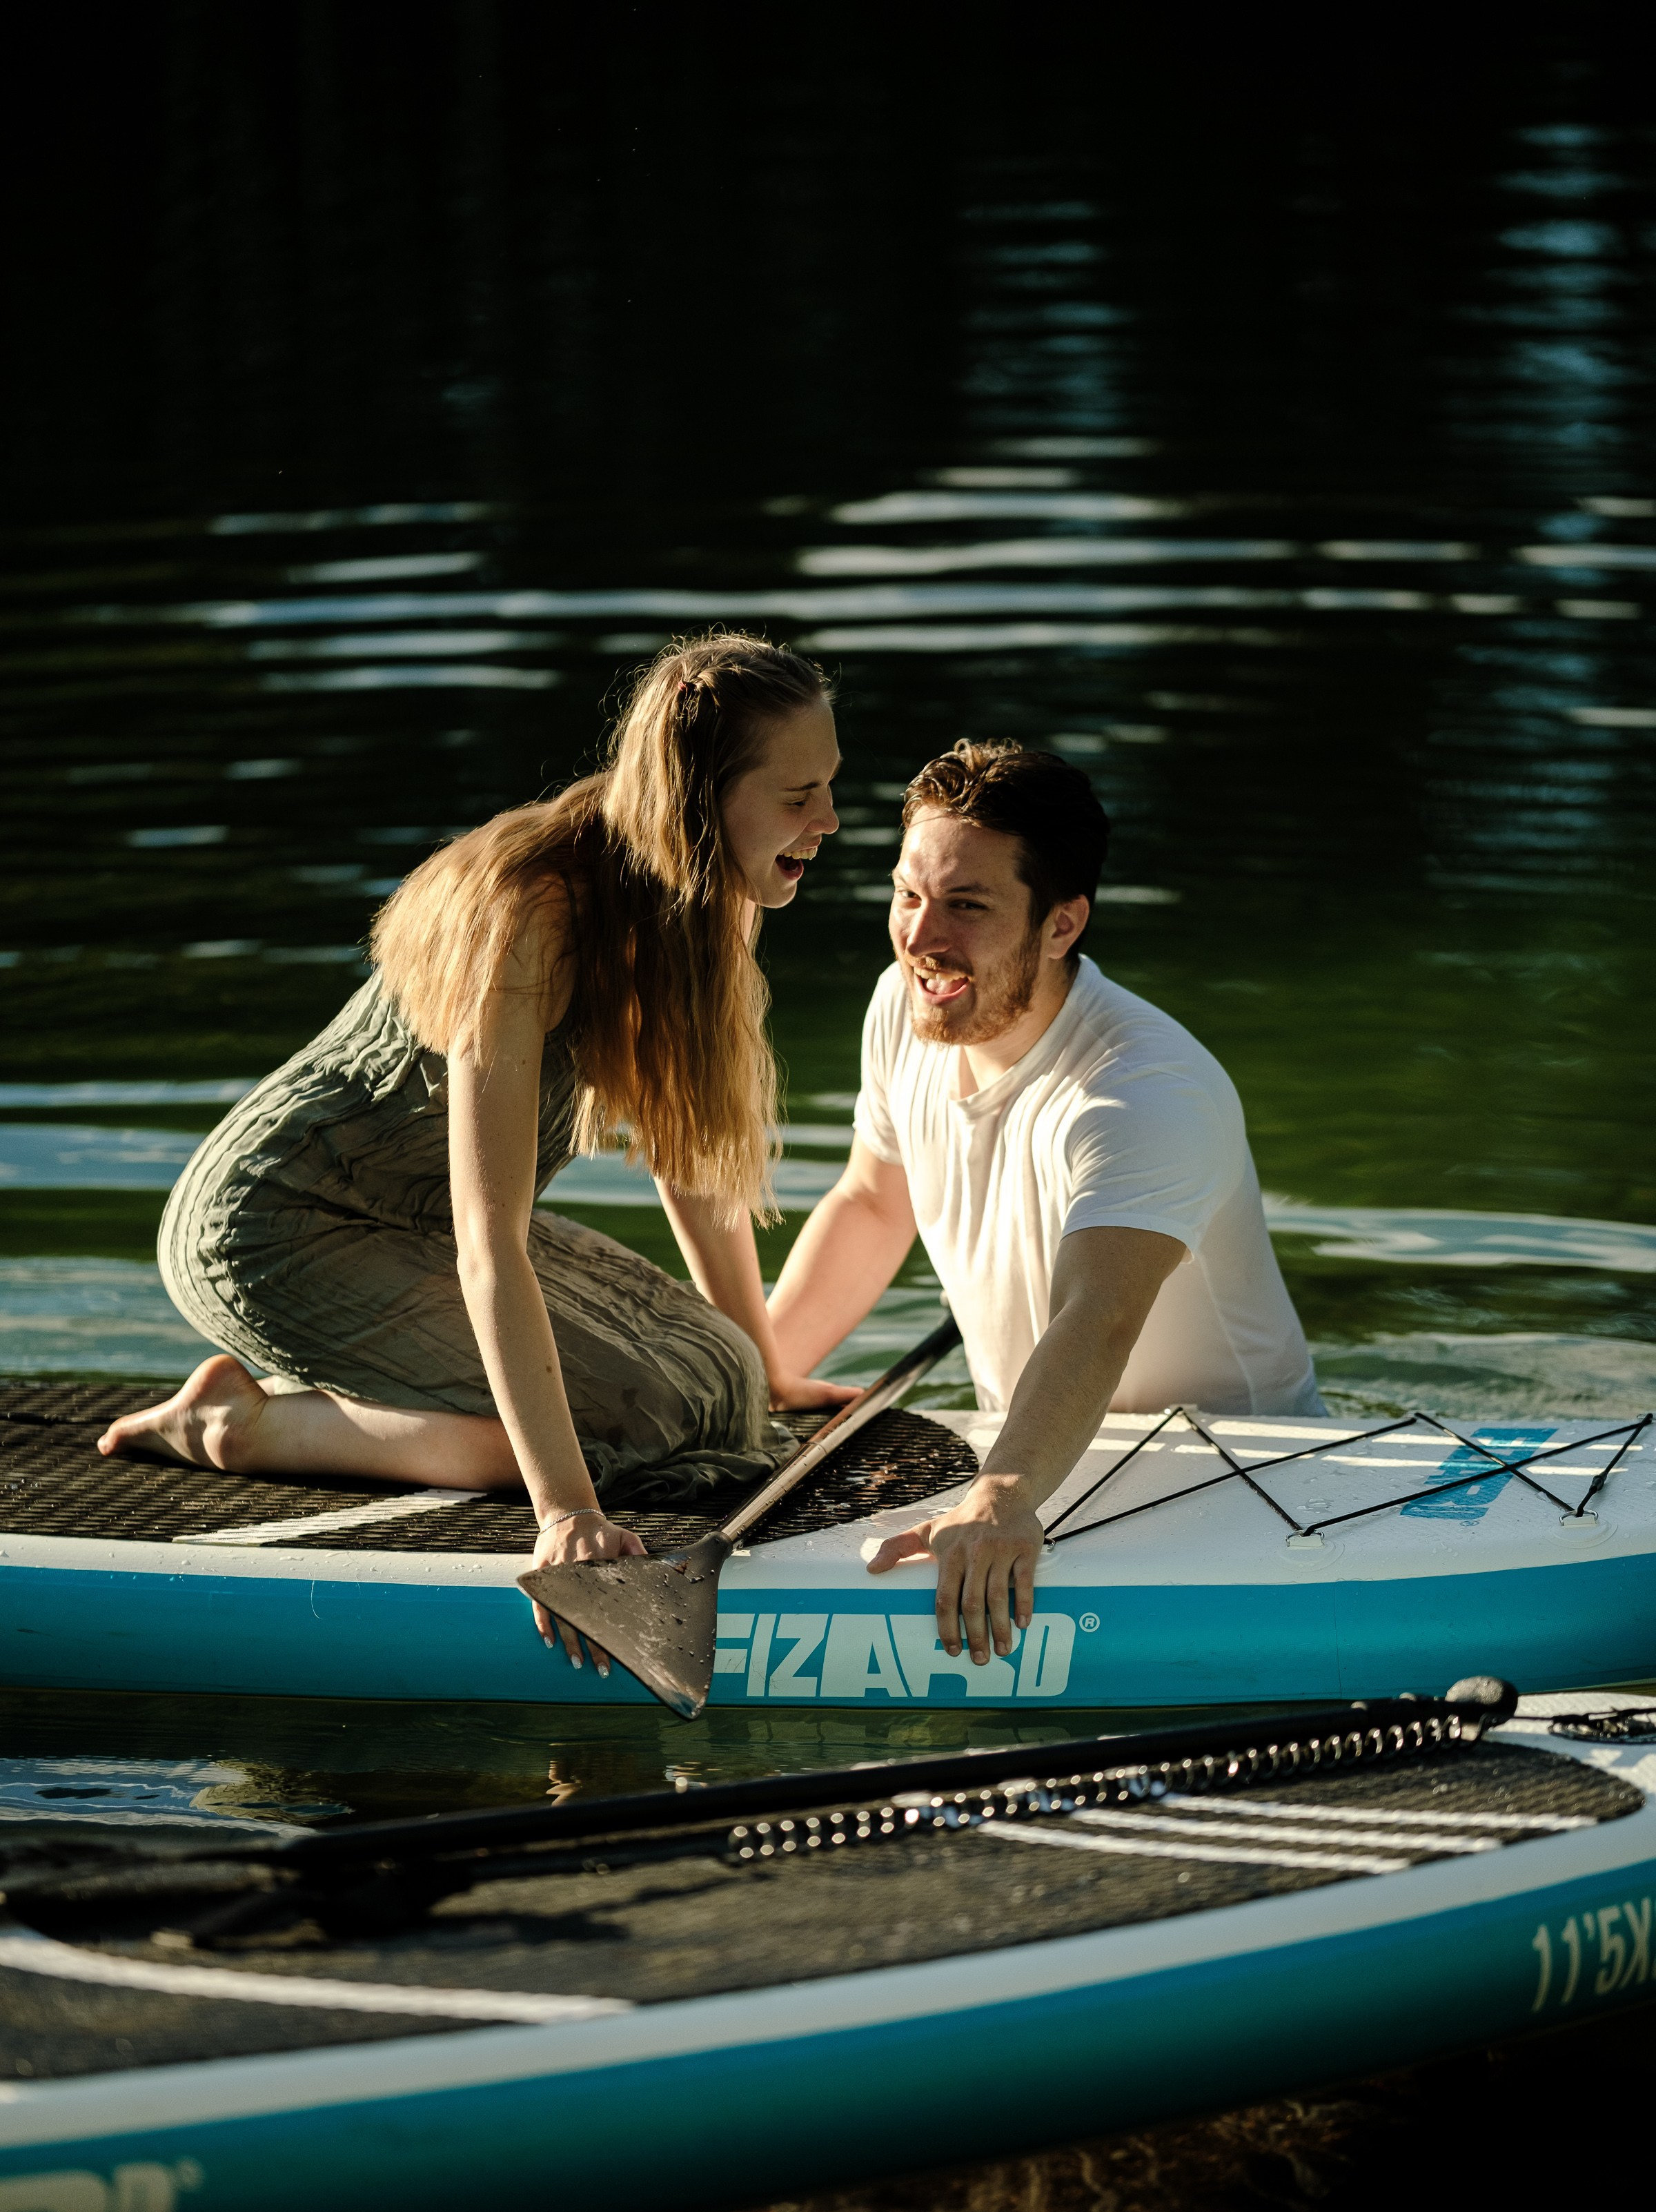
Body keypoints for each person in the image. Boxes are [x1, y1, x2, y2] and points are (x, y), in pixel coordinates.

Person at [99, 633, 856, 1639]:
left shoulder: (710, 893)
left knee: (718, 1385)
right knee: (632, 1432)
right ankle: (234, 1425)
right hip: (279, 1227)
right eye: (799, 794)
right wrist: (567, 1513)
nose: (831, 821)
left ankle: (347, 1384)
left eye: (831, 787)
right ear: (700, 796)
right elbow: (486, 1239)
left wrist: (767, 1368)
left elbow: (687, 1150)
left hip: (415, 1224)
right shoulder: (532, 912)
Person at [765, 737, 1322, 1672]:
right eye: (910, 894)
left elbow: (1097, 1316)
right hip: (1030, 1446)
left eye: (968, 906)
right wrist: (752, 1378)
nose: (921, 937)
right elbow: (870, 1204)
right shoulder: (901, 1010)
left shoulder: (1143, 1090)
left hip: (1236, 1481)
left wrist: (1001, 1497)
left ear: (1062, 926)